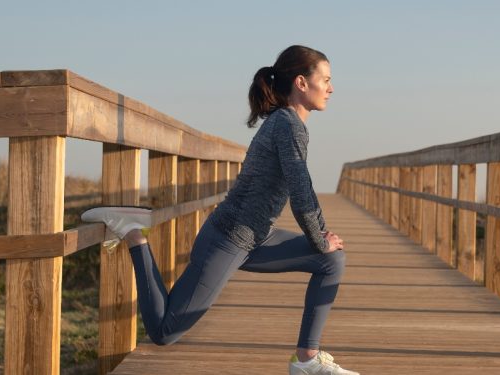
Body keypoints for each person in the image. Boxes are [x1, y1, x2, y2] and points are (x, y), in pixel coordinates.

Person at [82, 45, 359, 375]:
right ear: (301, 82)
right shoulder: (288, 125)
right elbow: (301, 191)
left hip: (256, 238)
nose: (330, 88)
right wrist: (320, 236)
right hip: (226, 240)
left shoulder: (287, 124)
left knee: (331, 259)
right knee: (164, 332)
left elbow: (300, 189)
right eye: (325, 79)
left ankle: (306, 360)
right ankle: (133, 234)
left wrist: (322, 242)